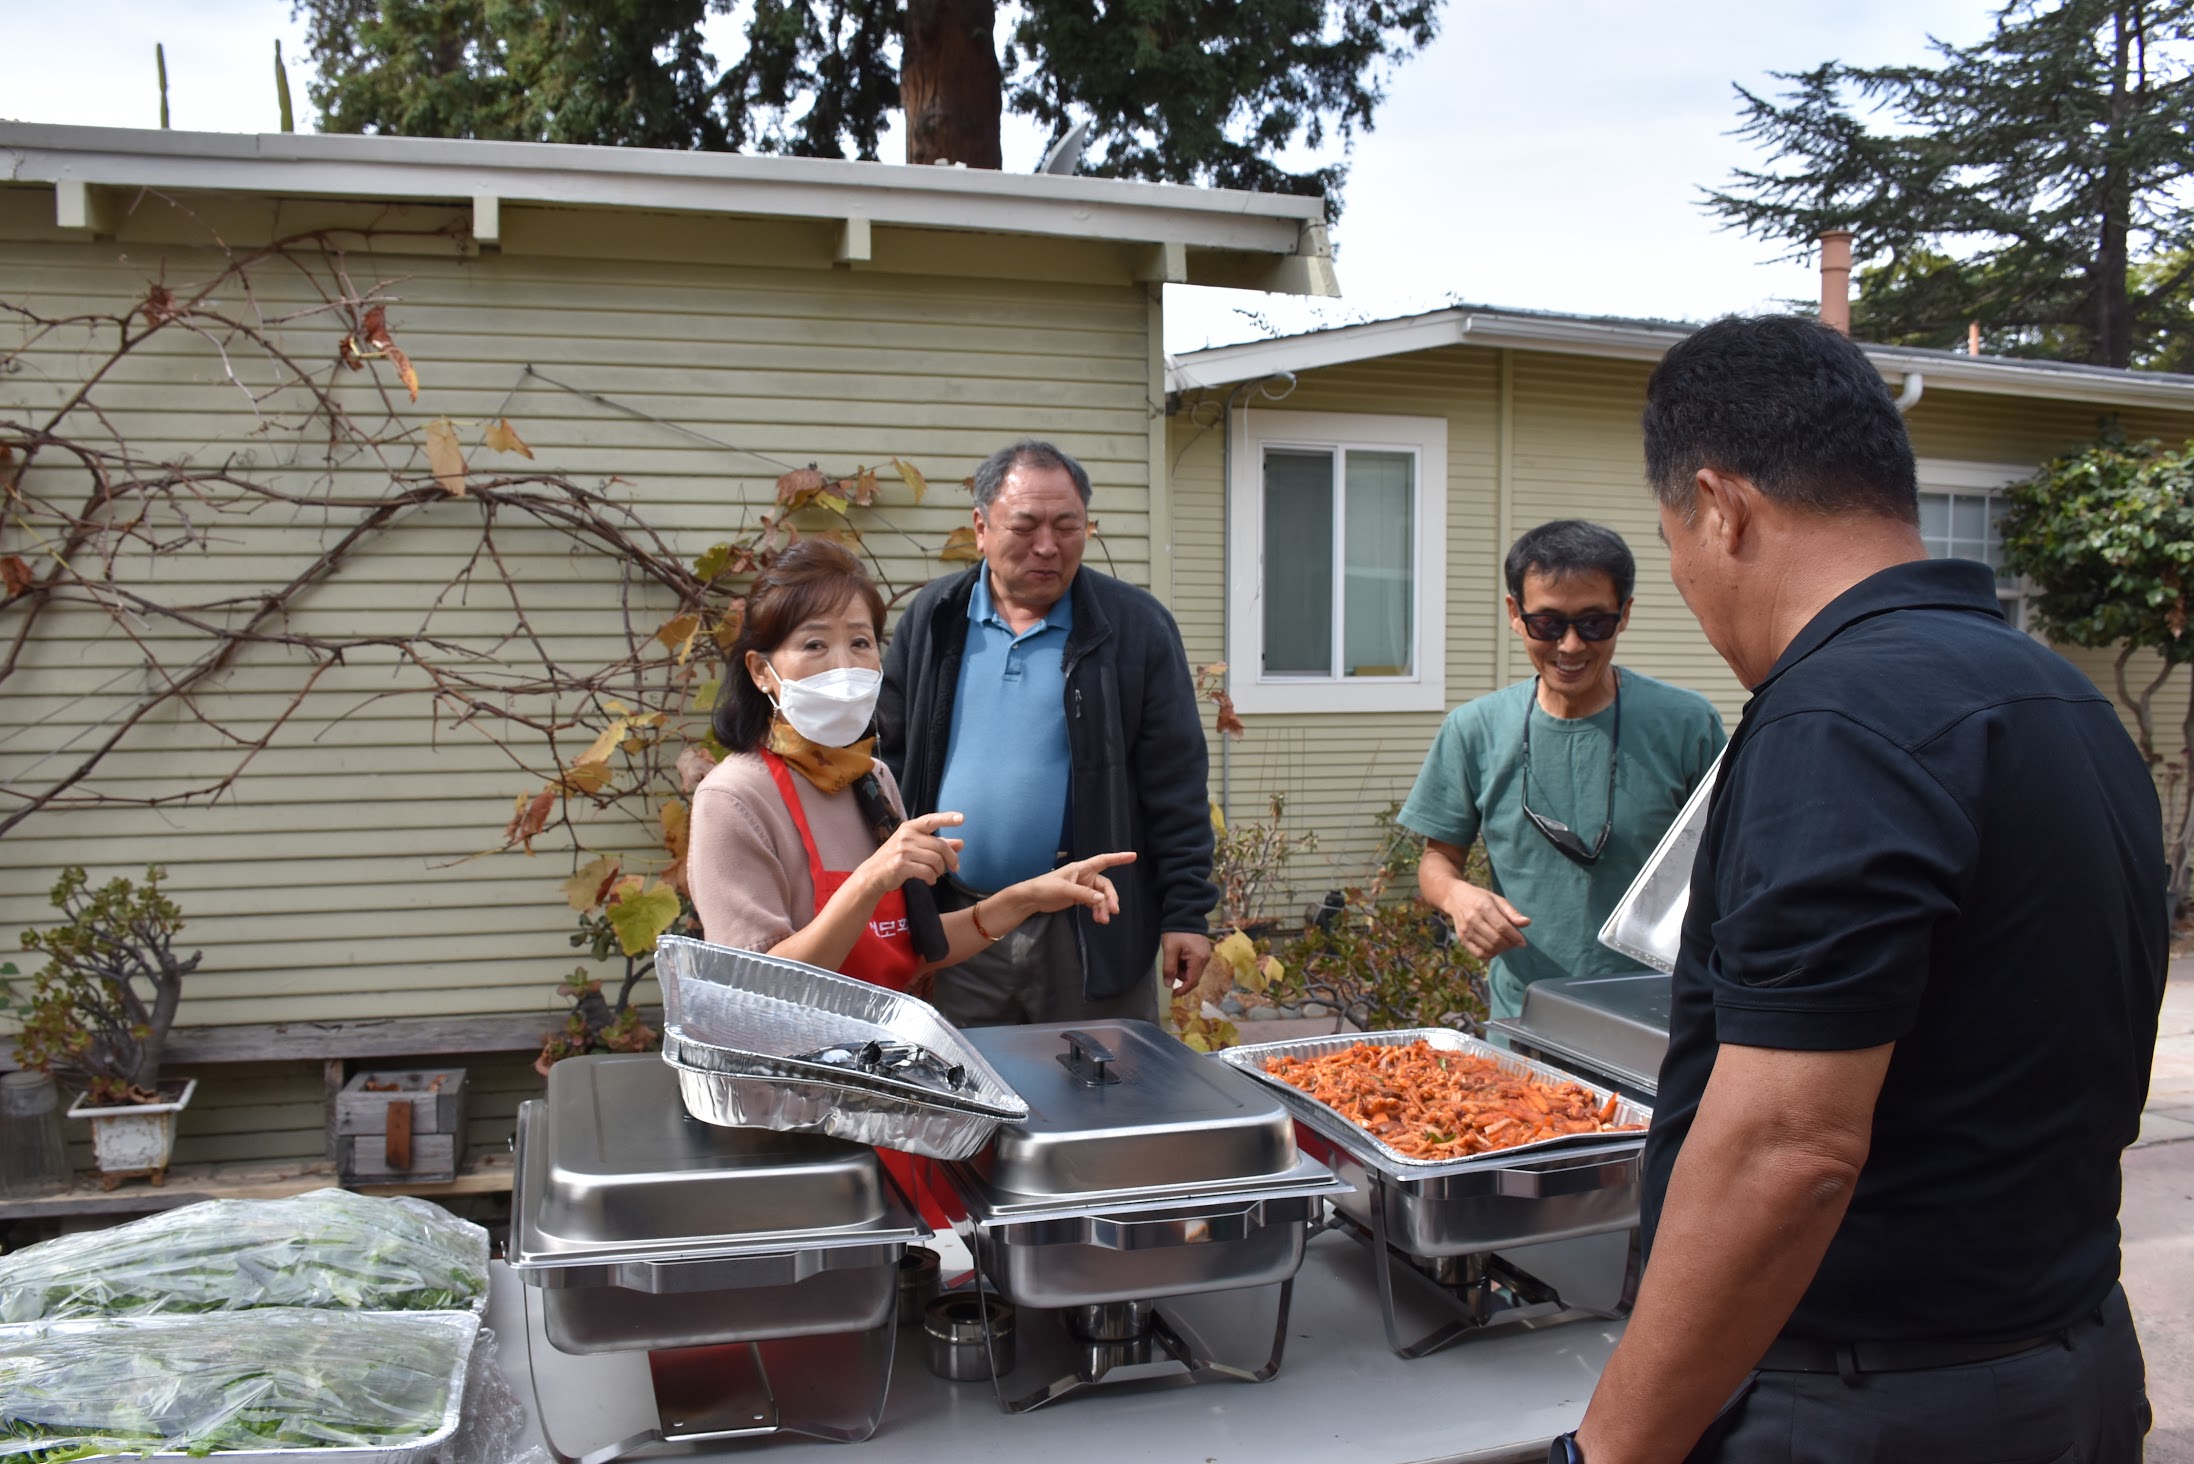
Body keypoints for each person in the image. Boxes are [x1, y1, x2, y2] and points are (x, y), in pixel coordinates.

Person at [1556, 316, 2165, 1464]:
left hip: (1874, 1403)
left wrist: (1614, 1449)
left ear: (1720, 507)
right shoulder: (2059, 699)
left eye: (1670, 539)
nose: (1682, 577)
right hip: (2071, 1362)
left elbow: (1788, 1150)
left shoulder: (1836, 716)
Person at [687, 539, 1133, 992]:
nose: (844, 666)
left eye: (860, 642)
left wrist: (1029, 896)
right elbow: (755, 985)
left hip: (880, 1052)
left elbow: (910, 947)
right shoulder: (734, 798)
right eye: (815, 644)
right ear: (761, 671)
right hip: (795, 1060)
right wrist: (870, 881)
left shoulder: (870, 779)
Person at [878, 439, 1216, 1028]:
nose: (1047, 546)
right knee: (964, 1102)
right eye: (1025, 525)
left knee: (1102, 1096)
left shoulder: (1133, 628)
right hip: (959, 927)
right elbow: (888, 761)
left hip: (1091, 929)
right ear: (981, 528)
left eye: (1067, 526)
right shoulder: (934, 619)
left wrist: (1186, 913)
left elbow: (1176, 781)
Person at [1399, 520, 1724, 1021]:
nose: (1570, 646)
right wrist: (1458, 896)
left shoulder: (1685, 724)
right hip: (1526, 1016)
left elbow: (1731, 862)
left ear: (1625, 615)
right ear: (1515, 614)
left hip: (1658, 1013)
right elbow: (1437, 861)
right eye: (1547, 624)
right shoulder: (1474, 730)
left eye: (1594, 623)